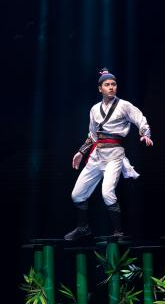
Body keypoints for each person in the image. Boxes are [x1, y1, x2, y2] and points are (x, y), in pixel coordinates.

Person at [64, 68, 153, 241]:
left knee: (107, 193)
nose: (111, 87)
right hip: (97, 155)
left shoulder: (124, 105)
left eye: (113, 84)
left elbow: (140, 119)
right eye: (107, 84)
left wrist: (144, 133)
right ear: (100, 88)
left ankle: (118, 232)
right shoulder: (94, 109)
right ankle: (83, 228)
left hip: (114, 155)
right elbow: (92, 135)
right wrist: (81, 152)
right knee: (77, 195)